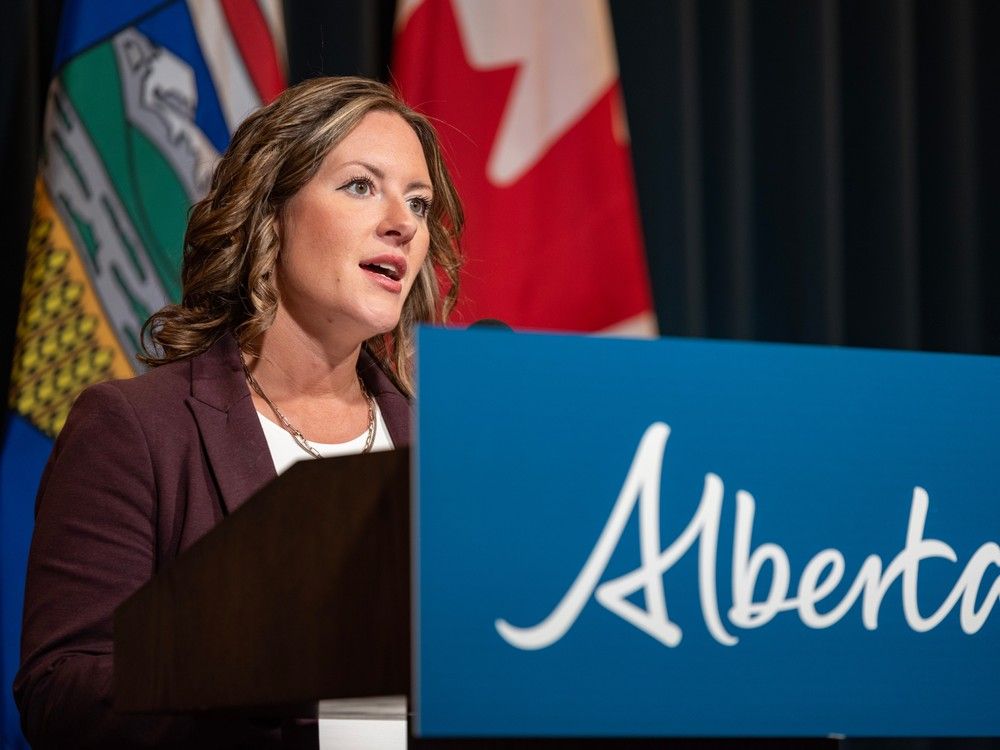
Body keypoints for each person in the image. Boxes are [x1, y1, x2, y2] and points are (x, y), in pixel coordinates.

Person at [13, 76, 463, 749]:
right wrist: (254, 664)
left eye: (420, 202)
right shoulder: (137, 431)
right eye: (361, 186)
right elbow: (61, 690)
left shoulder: (446, 453)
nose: (403, 222)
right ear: (270, 212)